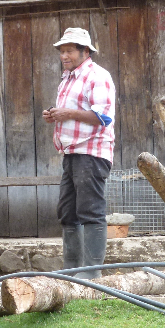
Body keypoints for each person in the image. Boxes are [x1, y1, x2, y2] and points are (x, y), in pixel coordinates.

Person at [42, 27, 116, 280]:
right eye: (62, 51)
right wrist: (55, 114)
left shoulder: (97, 76)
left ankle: (91, 275)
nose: (65, 55)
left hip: (91, 152)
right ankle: (72, 272)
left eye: (70, 50)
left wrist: (69, 113)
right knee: (68, 212)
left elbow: (104, 117)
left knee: (90, 211)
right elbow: (72, 112)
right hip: (72, 152)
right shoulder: (68, 78)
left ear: (85, 51)